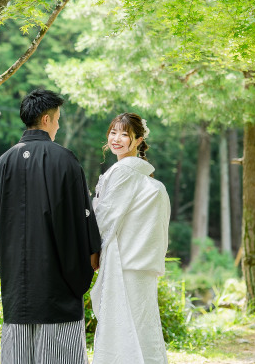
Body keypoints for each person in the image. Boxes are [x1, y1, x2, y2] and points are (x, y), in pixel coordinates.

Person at [0, 89, 102, 364]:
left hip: (17, 282)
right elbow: (80, 217)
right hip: (56, 283)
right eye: (58, 119)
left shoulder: (3, 162)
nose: (59, 125)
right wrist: (89, 257)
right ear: (47, 119)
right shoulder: (64, 159)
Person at [90, 112, 170, 364]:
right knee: (142, 322)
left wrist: (92, 249)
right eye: (113, 132)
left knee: (121, 322)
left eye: (124, 134)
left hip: (124, 260)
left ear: (137, 140)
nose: (116, 139)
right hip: (140, 260)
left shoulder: (124, 171)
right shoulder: (142, 174)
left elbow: (105, 217)